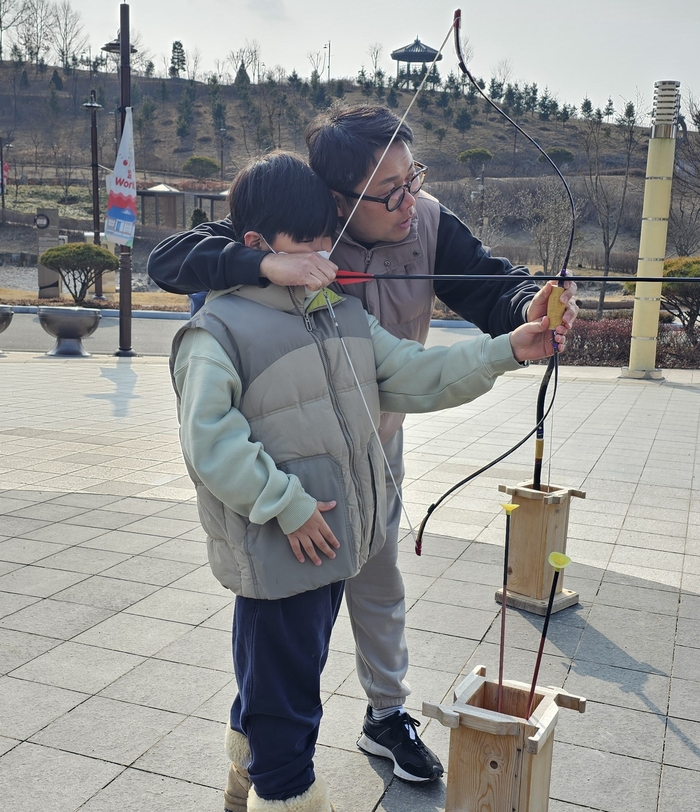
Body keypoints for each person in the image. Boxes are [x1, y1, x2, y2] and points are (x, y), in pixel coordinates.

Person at [151, 104, 578, 788]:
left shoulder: (400, 249)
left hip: (369, 455)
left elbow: (472, 306)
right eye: (390, 191)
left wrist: (517, 330)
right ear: (337, 201)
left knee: (364, 595)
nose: (410, 200)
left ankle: (378, 719)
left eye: (415, 178)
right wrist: (266, 264)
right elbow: (173, 264)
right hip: (287, 495)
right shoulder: (269, 272)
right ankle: (268, 764)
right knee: (283, 649)